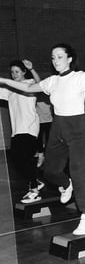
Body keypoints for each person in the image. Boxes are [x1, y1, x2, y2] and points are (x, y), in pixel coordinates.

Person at [0, 44, 85, 235]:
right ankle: (66, 184)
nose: (55, 61)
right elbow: (28, 86)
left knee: (78, 172)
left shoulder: (78, 77)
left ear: (69, 59)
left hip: (77, 127)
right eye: (53, 58)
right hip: (58, 127)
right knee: (50, 171)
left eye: (59, 57)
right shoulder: (52, 81)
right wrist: (3, 80)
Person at [0, 60, 42, 203]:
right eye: (12, 72)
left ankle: (35, 190)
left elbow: (40, 84)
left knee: (23, 159)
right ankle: (36, 181)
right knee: (16, 160)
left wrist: (33, 69)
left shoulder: (30, 83)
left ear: (24, 71)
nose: (14, 74)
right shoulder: (10, 89)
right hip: (17, 130)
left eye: (17, 71)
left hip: (29, 128)